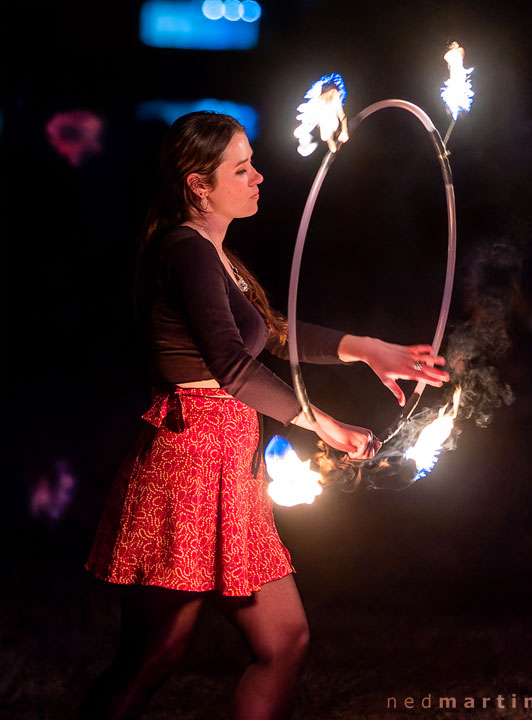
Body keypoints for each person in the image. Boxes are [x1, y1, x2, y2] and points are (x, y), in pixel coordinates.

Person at [77, 111, 449, 720]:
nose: (258, 178)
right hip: (186, 469)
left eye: (253, 164)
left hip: (231, 470)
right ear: (199, 186)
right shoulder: (184, 249)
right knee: (153, 657)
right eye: (241, 169)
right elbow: (232, 366)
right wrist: (323, 423)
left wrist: (367, 349)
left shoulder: (218, 256)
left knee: (284, 641)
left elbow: (269, 334)